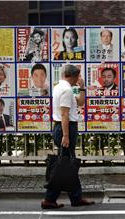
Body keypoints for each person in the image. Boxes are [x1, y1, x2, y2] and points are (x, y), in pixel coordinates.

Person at [41, 64, 94, 209]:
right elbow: (64, 114)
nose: (79, 78)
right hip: (66, 128)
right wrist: (66, 135)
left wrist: (82, 87)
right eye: (78, 76)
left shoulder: (61, 87)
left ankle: (75, 197)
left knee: (67, 163)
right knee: (65, 164)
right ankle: (50, 199)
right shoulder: (65, 89)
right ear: (73, 76)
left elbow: (80, 102)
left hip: (64, 127)